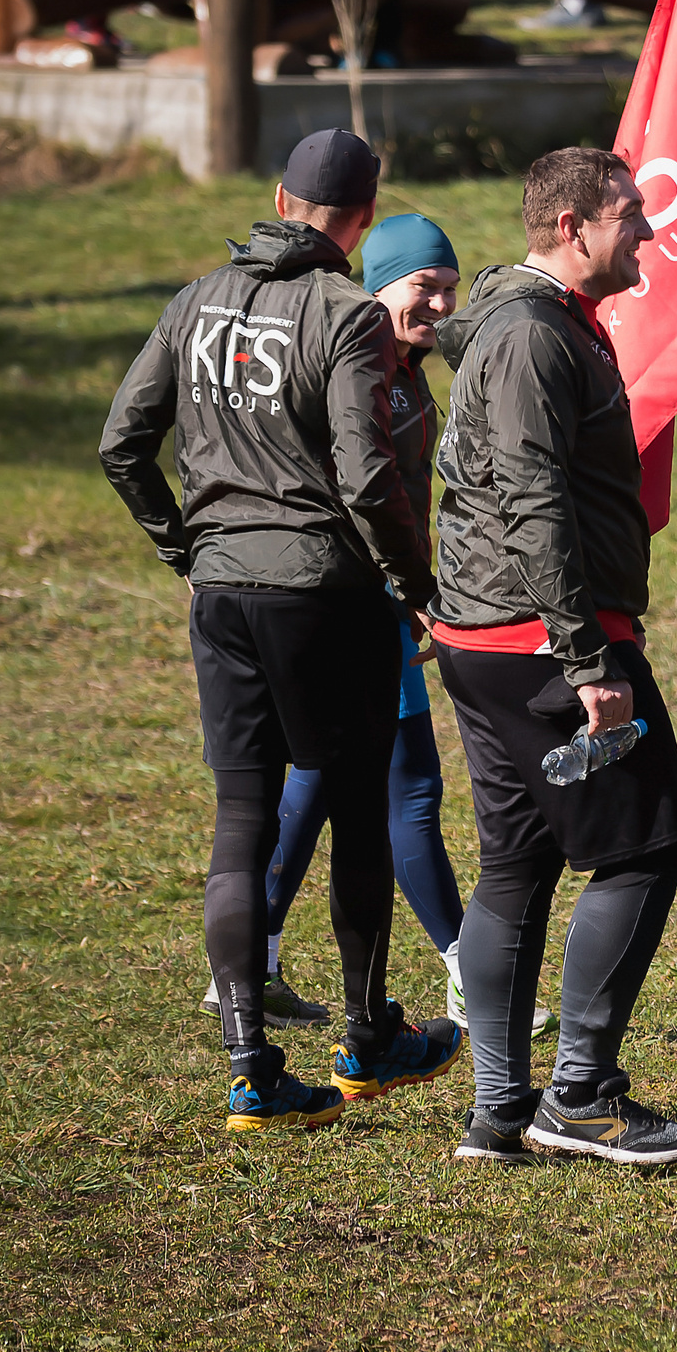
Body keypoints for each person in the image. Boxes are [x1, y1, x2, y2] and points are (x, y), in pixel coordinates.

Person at [99, 128, 464, 1131]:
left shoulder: (193, 301)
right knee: (354, 809)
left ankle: (251, 1064)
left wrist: (184, 549)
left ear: (277, 196)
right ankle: (365, 1034)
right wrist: (412, 581)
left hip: (222, 596)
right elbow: (365, 474)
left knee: (240, 820)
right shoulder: (346, 315)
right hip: (322, 596)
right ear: (361, 218)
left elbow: (122, 443)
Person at [434, 148, 677, 1170]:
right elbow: (531, 500)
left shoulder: (545, 326)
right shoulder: (530, 338)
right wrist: (589, 656)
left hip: (496, 639)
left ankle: (499, 1111)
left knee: (517, 861)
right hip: (544, 643)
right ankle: (580, 1094)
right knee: (645, 845)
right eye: (629, 215)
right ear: (569, 227)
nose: (646, 232)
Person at [196, 214, 518, 1036]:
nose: (441, 302)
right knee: (403, 784)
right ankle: (453, 970)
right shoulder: (358, 359)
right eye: (424, 285)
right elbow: (360, 486)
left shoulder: (403, 368)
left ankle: (252, 956)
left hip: (372, 595)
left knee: (320, 776)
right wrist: (410, 587)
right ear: (376, 284)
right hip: (357, 602)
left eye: (450, 285)